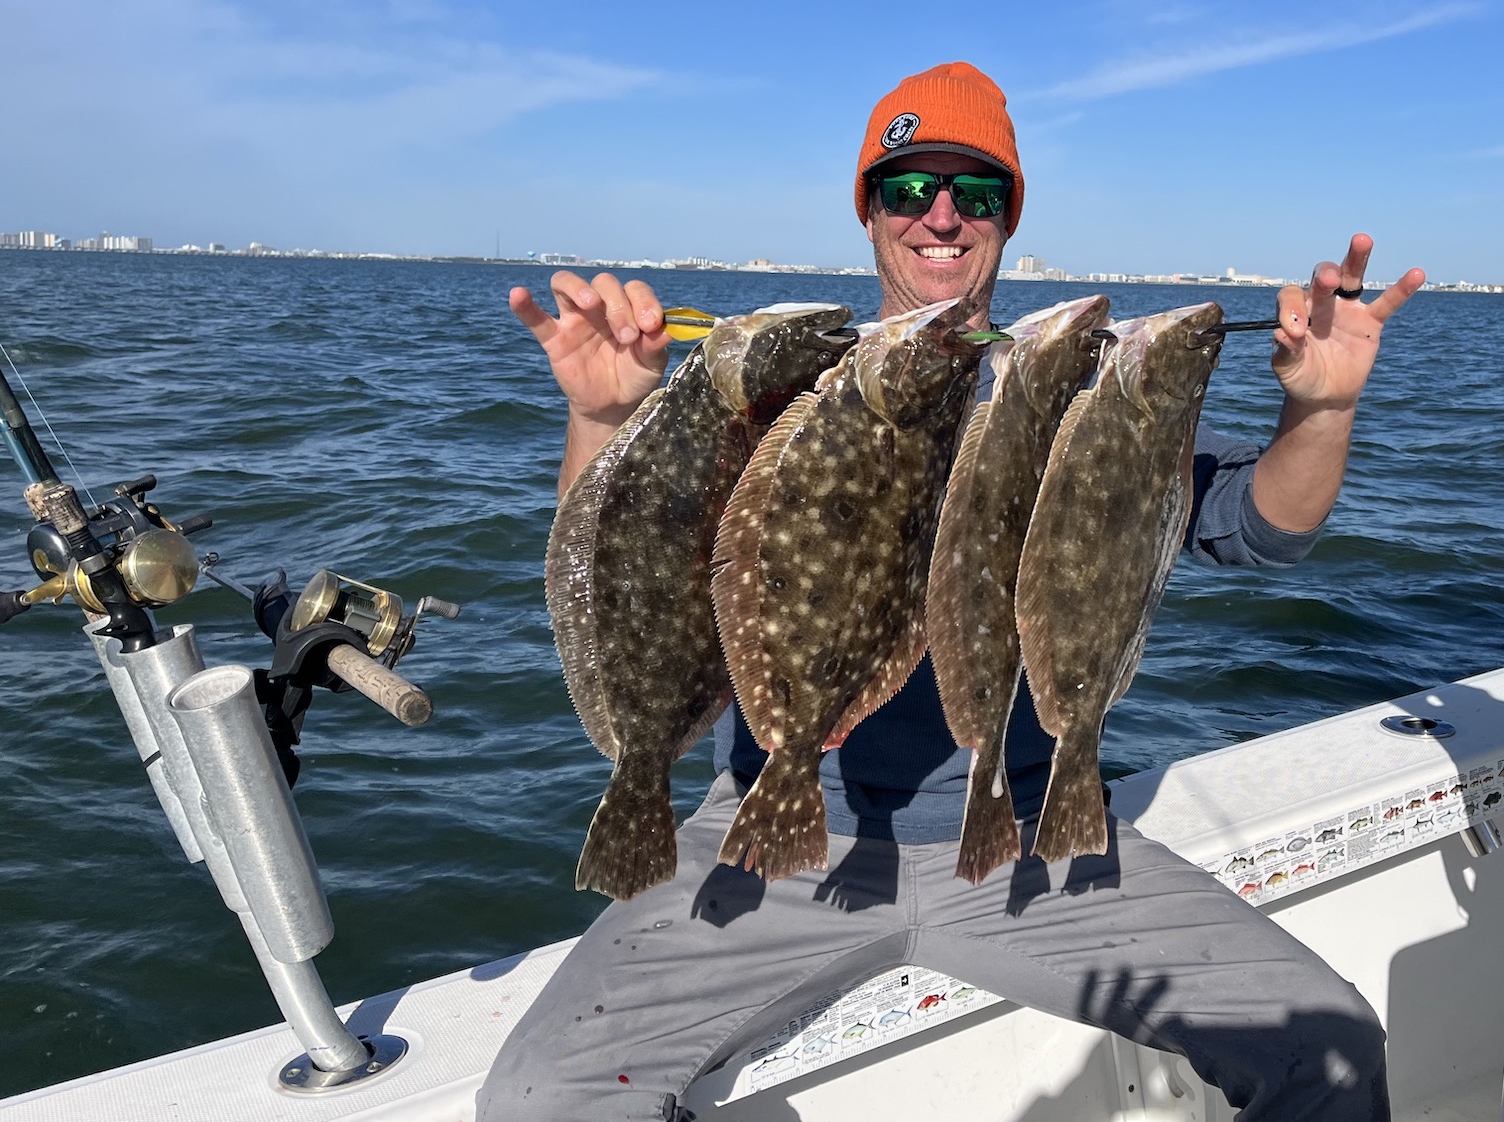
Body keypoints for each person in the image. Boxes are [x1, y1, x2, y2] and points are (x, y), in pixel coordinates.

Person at [486, 61, 1424, 1122]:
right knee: (539, 1100)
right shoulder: (783, 393)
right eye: (908, 188)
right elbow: (629, 570)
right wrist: (610, 424)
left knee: (1333, 1052)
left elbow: (1257, 528)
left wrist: (1324, 409)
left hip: (1028, 828)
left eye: (974, 194)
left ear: (1006, 220)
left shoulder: (1067, 393)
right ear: (870, 214)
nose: (940, 216)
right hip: (772, 827)